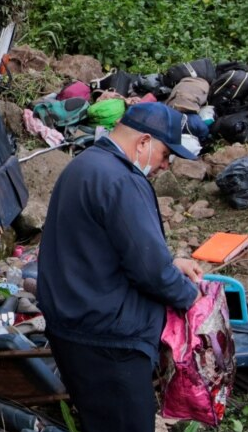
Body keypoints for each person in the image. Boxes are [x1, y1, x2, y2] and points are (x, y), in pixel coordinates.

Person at [39, 102, 206, 432]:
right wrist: (193, 299)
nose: (164, 166)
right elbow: (150, 271)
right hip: (108, 338)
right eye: (164, 155)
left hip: (75, 326)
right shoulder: (121, 180)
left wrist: (171, 262)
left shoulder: (85, 164)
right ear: (144, 142)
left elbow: (100, 244)